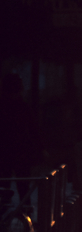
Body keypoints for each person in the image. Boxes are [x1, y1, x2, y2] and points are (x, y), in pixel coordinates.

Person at [0, 73, 41, 203]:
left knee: (3, 184)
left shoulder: (5, 106)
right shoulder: (23, 107)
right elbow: (33, 129)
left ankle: (4, 211)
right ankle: (25, 212)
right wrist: (41, 148)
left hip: (4, 150)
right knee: (23, 185)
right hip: (21, 151)